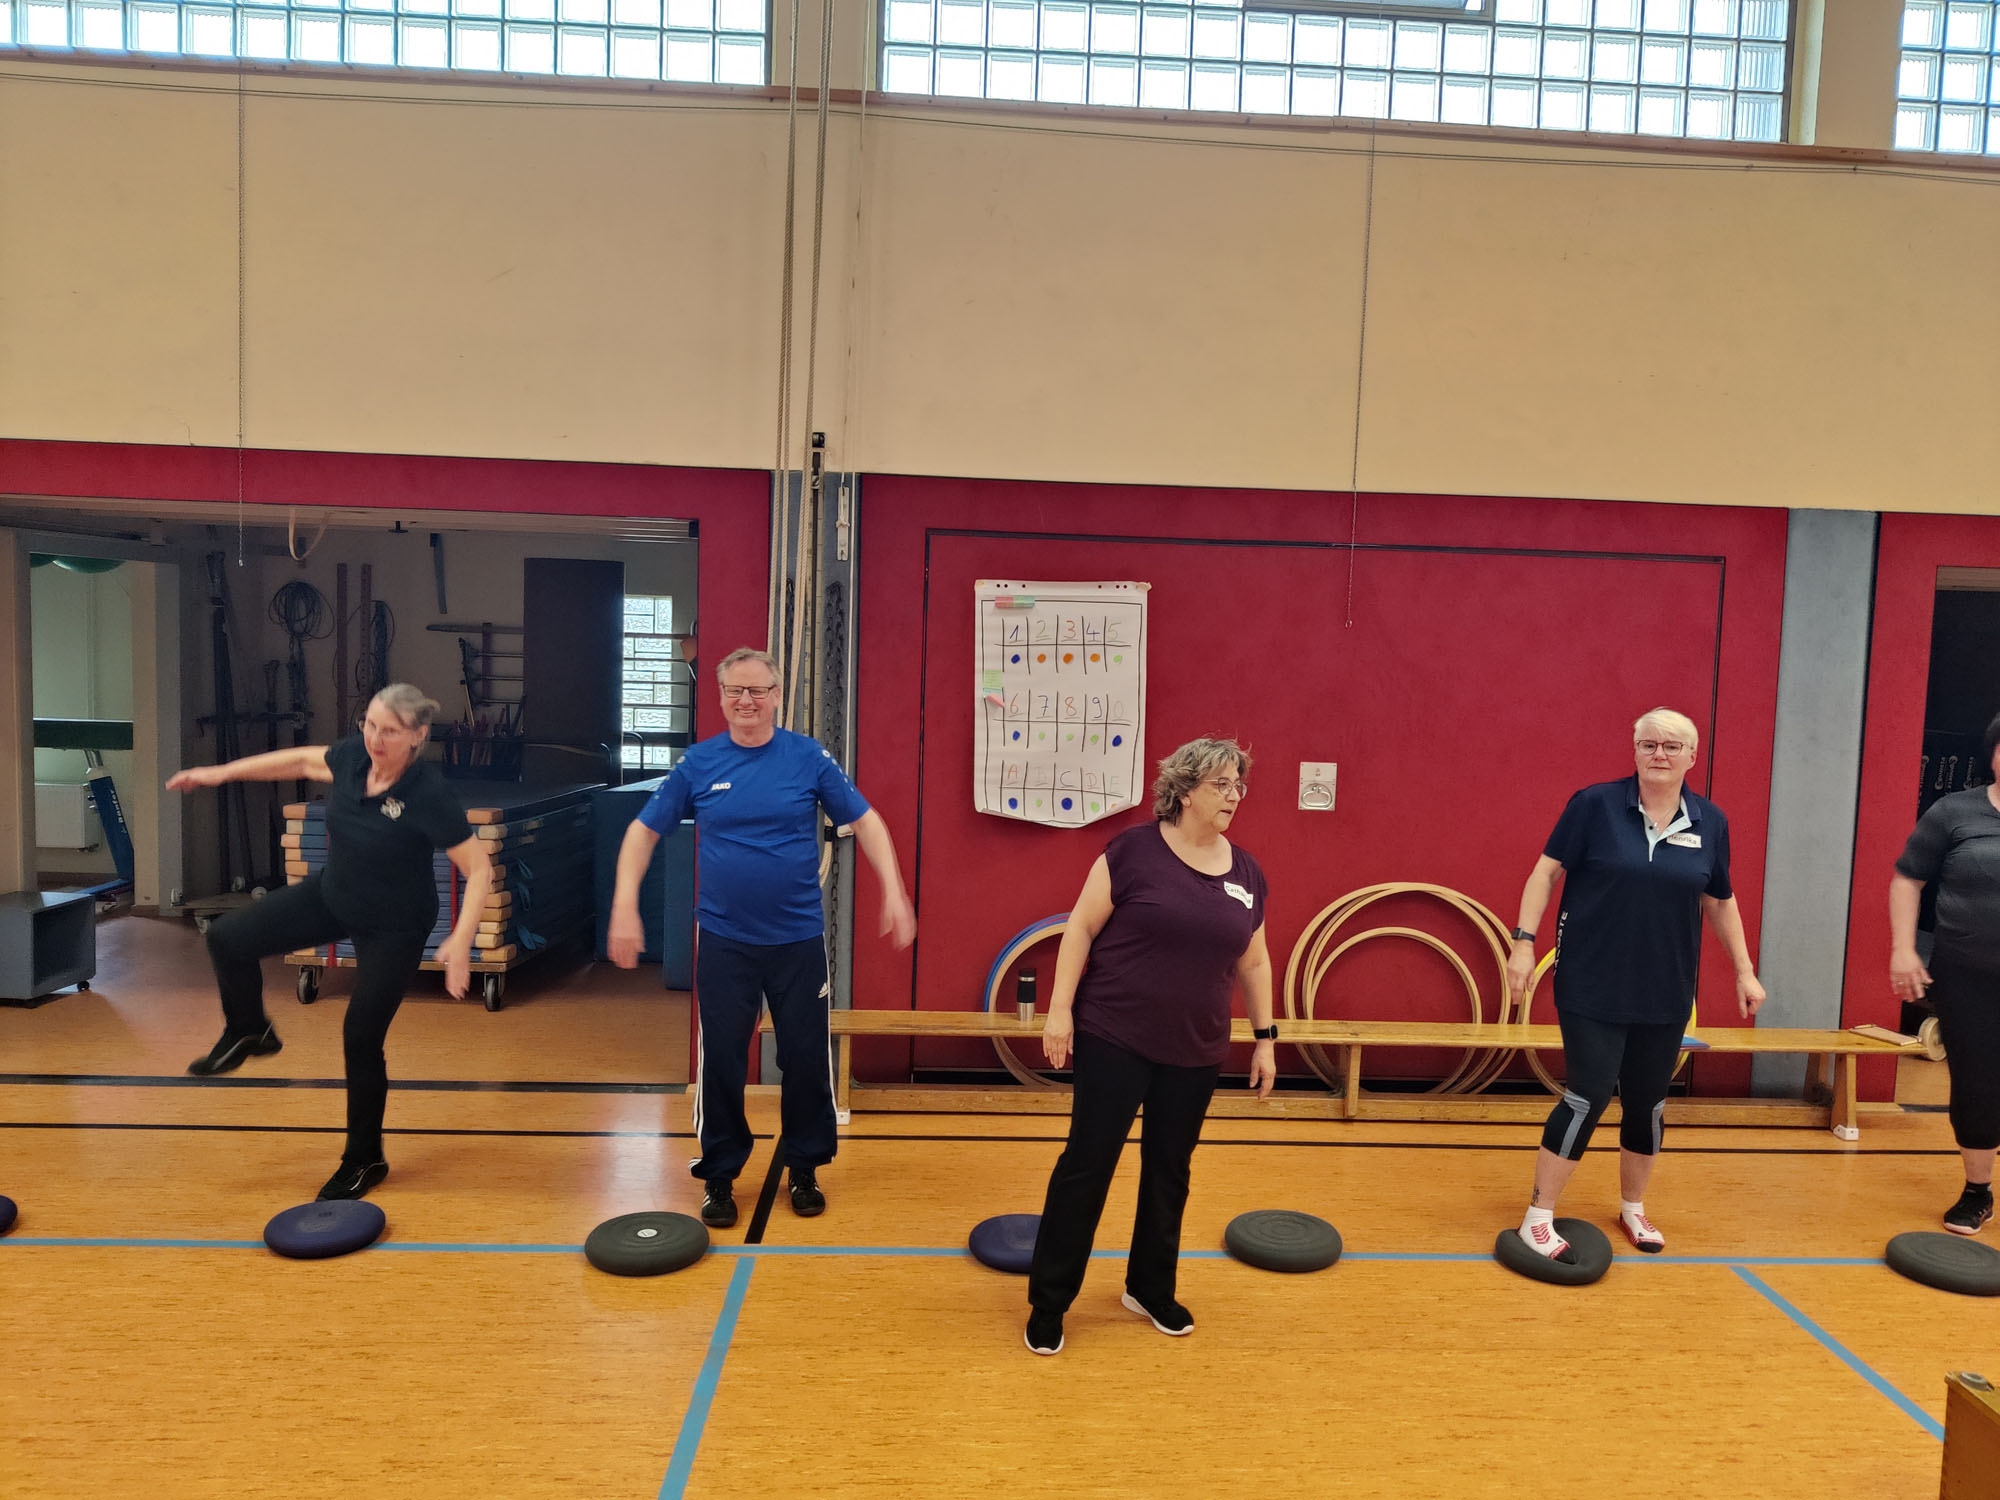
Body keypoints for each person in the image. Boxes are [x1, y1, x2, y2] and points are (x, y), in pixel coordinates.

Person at [607, 647, 915, 1229]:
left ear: (777, 696)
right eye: (735, 691)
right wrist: (624, 906)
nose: (745, 700)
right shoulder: (699, 763)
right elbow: (642, 833)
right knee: (722, 1059)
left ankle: (804, 1167)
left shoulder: (808, 758)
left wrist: (893, 890)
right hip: (725, 941)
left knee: (805, 1057)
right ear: (721, 697)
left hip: (797, 939)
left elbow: (867, 820)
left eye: (757, 690)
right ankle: (719, 1175)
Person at [169, 684, 493, 1201]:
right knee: (228, 938)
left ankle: (365, 1158)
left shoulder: (427, 794)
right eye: (370, 725)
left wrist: (461, 940)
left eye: (390, 731)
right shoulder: (351, 757)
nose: (375, 739)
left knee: (360, 1037)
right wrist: (220, 773)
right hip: (335, 895)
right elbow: (300, 760)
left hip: (395, 926)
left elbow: (479, 869)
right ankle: (249, 1029)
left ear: (418, 736)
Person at [1025, 737, 1276, 1357]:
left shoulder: (1247, 872)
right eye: (1221, 785)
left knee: (1170, 1170)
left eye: (1239, 786)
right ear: (1185, 790)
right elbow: (1080, 928)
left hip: (1195, 1048)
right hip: (1115, 1035)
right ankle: (1050, 1301)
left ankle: (1149, 1288)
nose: (1234, 796)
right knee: (1087, 1165)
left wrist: (1266, 1040)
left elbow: (1255, 960)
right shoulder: (1132, 851)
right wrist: (1059, 1011)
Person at [1503, 708, 1765, 1261]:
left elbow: (1719, 900)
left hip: (1666, 989)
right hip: (1591, 982)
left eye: (1672, 746)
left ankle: (1633, 1207)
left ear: (1692, 756)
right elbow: (1545, 872)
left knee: (1647, 1103)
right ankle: (1538, 1217)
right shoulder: (1594, 805)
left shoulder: (1710, 822)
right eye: (1649, 744)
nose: (1659, 754)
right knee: (1589, 1095)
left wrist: (1744, 970)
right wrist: (1523, 942)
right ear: (1635, 750)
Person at [1890, 710, 2000, 1236]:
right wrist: (1903, 949)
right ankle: (1977, 1192)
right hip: (1966, 976)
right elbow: (1907, 879)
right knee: (1976, 1082)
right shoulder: (1955, 811)